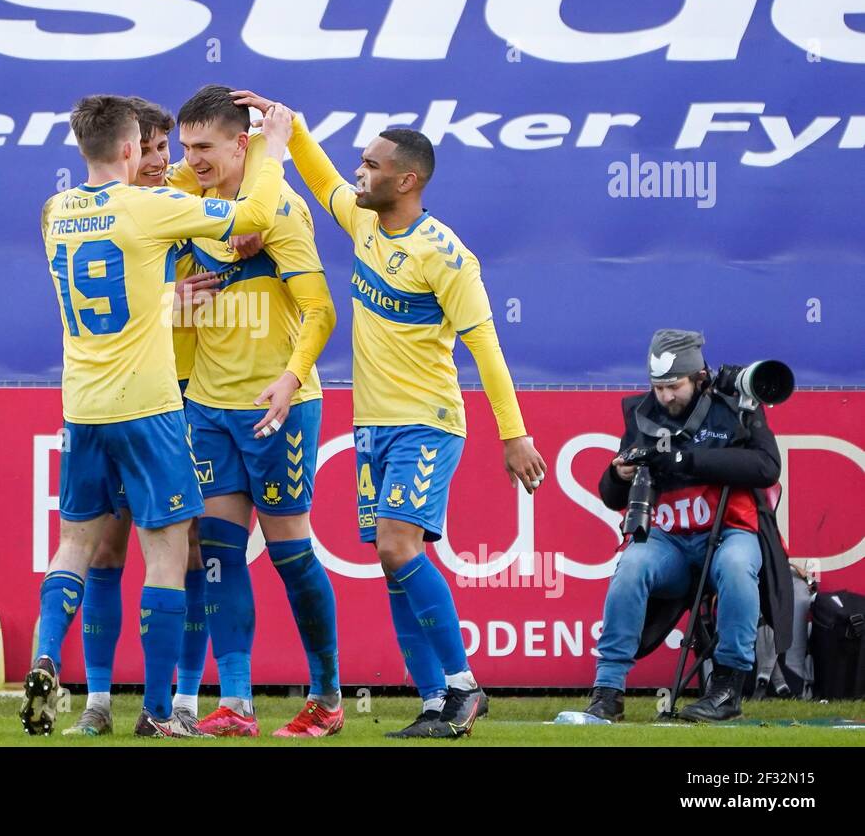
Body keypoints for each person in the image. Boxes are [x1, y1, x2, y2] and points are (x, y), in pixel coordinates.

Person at [235, 89, 546, 738]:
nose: (359, 173)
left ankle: (463, 689)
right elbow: (320, 177)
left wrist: (514, 435)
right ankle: (433, 702)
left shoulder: (447, 256)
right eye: (361, 162)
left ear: (407, 180)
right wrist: (285, 126)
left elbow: (486, 351)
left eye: (372, 165)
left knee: (399, 546)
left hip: (426, 422)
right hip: (373, 426)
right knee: (389, 557)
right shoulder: (364, 221)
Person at [28, 94, 290, 737]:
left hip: (81, 406)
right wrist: (274, 145)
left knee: (74, 547)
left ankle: (42, 661)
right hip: (148, 406)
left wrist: (169, 293)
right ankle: (157, 710)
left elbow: (109, 278)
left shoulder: (54, 212)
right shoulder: (148, 208)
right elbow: (253, 213)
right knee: (170, 557)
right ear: (127, 149)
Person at [171, 84, 341, 738]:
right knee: (217, 554)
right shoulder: (188, 208)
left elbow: (321, 311)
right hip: (208, 408)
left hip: (280, 407)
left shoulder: (283, 212)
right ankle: (236, 702)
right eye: (186, 148)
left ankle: (326, 697)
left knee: (291, 555)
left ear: (243, 144)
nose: (192, 160)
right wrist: (178, 302)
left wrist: (291, 378)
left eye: (204, 147)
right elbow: (172, 311)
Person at [63, 97, 220, 736]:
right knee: (105, 550)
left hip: (187, 398)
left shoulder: (187, 202)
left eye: (169, 151)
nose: (160, 162)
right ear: (131, 149)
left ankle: (182, 704)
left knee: (188, 555)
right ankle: (99, 702)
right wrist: (164, 300)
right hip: (134, 400)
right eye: (151, 149)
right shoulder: (131, 209)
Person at [585, 330, 783, 723]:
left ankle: (727, 686)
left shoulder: (736, 405)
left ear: (698, 377)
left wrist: (685, 460)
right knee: (632, 566)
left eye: (674, 386)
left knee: (737, 567)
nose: (665, 396)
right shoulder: (644, 414)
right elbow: (611, 496)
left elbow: (767, 467)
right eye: (658, 387)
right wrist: (617, 472)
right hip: (670, 541)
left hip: (729, 532)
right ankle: (608, 691)